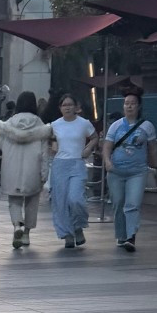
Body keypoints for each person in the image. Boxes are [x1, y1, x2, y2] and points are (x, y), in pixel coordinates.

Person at [103, 89, 157, 252]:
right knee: (118, 203)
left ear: (139, 106)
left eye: (133, 103)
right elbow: (107, 146)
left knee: (132, 204)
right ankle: (121, 235)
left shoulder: (147, 126)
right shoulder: (116, 125)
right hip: (116, 171)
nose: (129, 106)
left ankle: (130, 236)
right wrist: (107, 161)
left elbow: (153, 149)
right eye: (126, 103)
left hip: (137, 172)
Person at [0, 91, 52, 249]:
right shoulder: (40, 125)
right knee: (32, 202)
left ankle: (17, 226)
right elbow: (44, 153)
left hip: (11, 169)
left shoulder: (8, 124)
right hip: (32, 169)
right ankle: (26, 233)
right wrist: (44, 173)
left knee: (14, 200)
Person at [48, 93, 96, 249]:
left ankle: (78, 226)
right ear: (60, 108)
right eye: (64, 105)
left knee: (75, 199)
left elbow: (95, 137)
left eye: (70, 104)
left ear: (76, 107)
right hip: (59, 165)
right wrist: (51, 147)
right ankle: (67, 234)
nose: (67, 107)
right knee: (60, 202)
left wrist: (88, 148)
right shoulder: (54, 125)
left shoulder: (84, 123)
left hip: (77, 164)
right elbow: (49, 142)